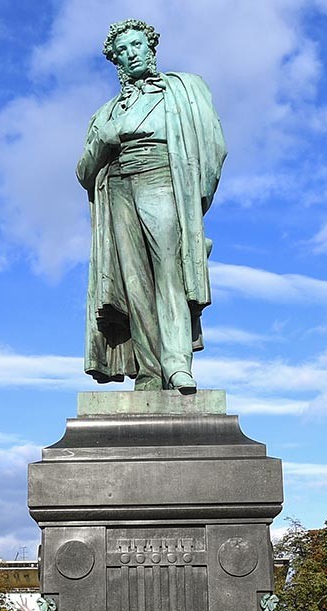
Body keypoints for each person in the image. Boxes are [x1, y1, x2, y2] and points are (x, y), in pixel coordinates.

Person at [77, 18, 226, 394]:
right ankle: (149, 372)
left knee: (170, 271)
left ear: (151, 48)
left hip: (162, 177)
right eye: (123, 50)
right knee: (135, 286)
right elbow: (83, 171)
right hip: (118, 189)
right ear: (116, 62)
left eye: (137, 45)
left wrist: (195, 203)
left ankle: (177, 366)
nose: (132, 54)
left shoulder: (184, 89)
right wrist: (103, 142)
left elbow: (214, 148)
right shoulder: (105, 113)